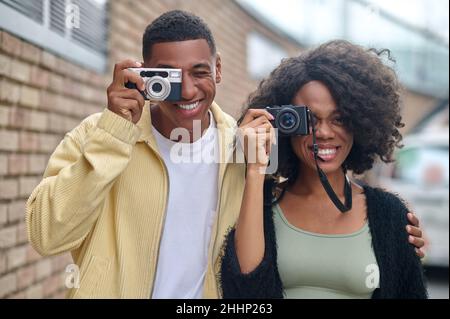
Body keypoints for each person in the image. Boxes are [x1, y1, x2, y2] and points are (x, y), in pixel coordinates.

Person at [26, 10, 424, 299]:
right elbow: (46, 236)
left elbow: (306, 214)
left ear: (218, 69)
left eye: (199, 72)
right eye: (169, 75)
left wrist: (393, 239)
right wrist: (114, 132)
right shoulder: (98, 137)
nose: (187, 90)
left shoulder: (249, 149)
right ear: (144, 73)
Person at [220, 40, 428, 299]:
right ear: (283, 121)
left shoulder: (390, 215)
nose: (324, 133)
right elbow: (244, 293)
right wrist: (254, 169)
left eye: (339, 119)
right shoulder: (258, 202)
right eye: (309, 119)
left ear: (360, 123)